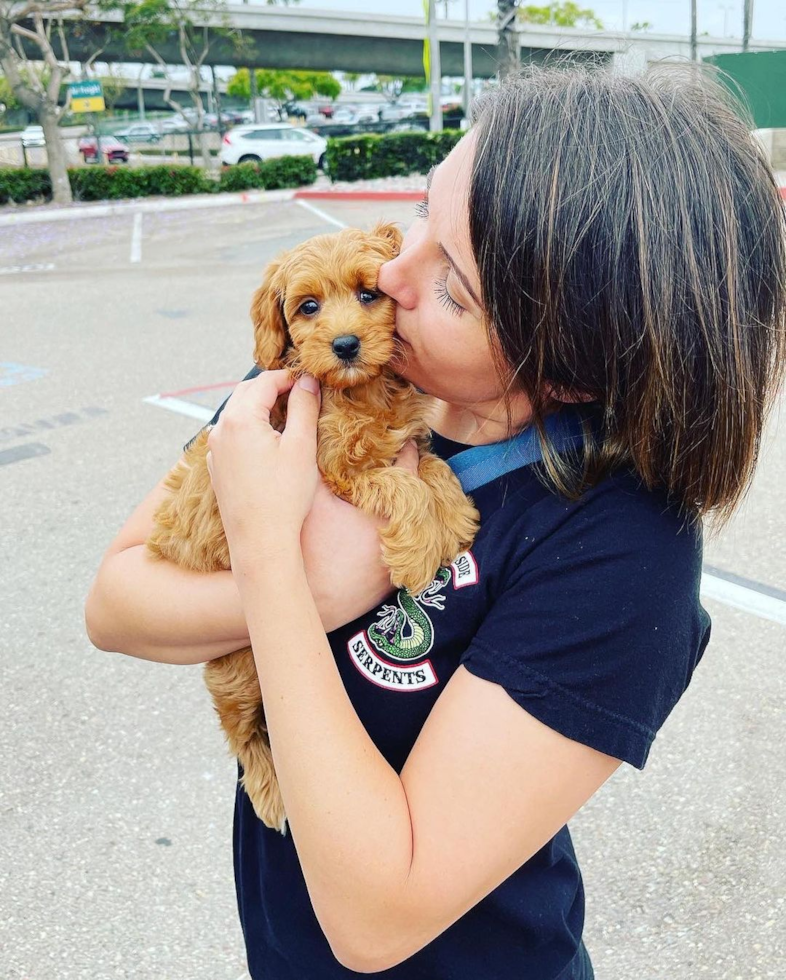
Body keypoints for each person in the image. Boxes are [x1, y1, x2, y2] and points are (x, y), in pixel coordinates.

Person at [85, 63, 786, 979]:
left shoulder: (619, 549)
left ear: (573, 364)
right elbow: (115, 602)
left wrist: (270, 558)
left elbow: (379, 917)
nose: (391, 274)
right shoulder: (324, 380)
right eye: (423, 211)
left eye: (456, 289)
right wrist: (324, 585)